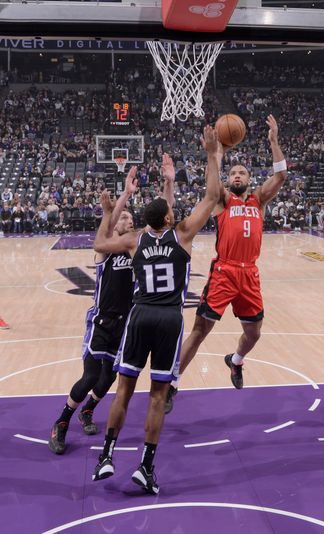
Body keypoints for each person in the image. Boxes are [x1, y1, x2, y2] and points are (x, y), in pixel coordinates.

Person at [90, 126, 222, 495]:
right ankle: (146, 467)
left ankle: (106, 456)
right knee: (158, 396)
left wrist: (110, 208)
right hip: (168, 319)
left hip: (140, 315)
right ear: (168, 218)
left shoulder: (134, 239)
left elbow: (101, 241)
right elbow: (213, 195)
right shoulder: (182, 234)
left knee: (123, 390)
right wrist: (212, 153)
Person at [47, 162, 173, 454]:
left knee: (109, 378)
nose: (128, 221)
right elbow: (105, 233)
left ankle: (88, 410)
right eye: (123, 218)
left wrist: (165, 185)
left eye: (130, 218)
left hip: (126, 324)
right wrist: (122, 200)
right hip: (102, 322)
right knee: (90, 376)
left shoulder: (137, 245)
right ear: (116, 224)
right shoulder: (104, 252)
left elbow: (160, 221)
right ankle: (62, 421)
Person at [166, 114, 288, 412]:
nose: (236, 175)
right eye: (232, 172)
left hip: (250, 274)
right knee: (199, 330)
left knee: (254, 333)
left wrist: (274, 142)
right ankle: (172, 383)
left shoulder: (258, 200)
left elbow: (281, 176)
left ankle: (235, 361)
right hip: (224, 271)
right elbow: (211, 185)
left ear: (249, 180)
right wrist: (215, 155)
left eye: (242, 172)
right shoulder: (222, 200)